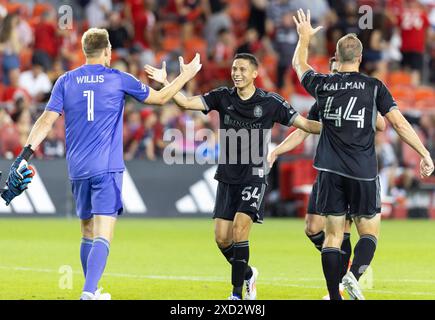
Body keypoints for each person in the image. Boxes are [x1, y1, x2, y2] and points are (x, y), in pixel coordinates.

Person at [2, 28, 202, 300]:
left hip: (78, 169)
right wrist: (186, 76)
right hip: (107, 167)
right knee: (103, 234)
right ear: (108, 51)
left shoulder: (65, 80)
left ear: (85, 52)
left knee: (86, 229)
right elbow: (161, 98)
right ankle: (87, 293)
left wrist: (25, 154)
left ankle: (93, 290)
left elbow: (46, 121)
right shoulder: (119, 79)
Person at [145, 52, 322, 300]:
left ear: (254, 74)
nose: (236, 74)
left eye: (241, 70)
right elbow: (185, 103)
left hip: (254, 175)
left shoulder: (271, 102)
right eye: (234, 69)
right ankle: (248, 274)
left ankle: (236, 294)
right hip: (227, 176)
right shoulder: (222, 97)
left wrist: (337, 126)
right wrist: (167, 82)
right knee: (221, 238)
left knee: (240, 230)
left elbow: (304, 125)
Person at [291, 9, 434, 300]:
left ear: (337, 56)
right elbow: (397, 123)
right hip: (363, 171)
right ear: (360, 57)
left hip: (330, 170)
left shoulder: (324, 85)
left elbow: (298, 64)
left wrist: (304, 37)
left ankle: (334, 296)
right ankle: (353, 277)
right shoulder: (374, 87)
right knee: (369, 233)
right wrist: (424, 152)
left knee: (332, 237)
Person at [268, 56, 386, 299]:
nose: (334, 77)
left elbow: (382, 123)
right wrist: (277, 151)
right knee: (312, 228)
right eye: (331, 73)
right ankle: (344, 275)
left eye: (337, 72)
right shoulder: (323, 100)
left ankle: (340, 286)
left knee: (342, 231)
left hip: (353, 170)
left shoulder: (363, 95)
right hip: (328, 171)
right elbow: (302, 131)